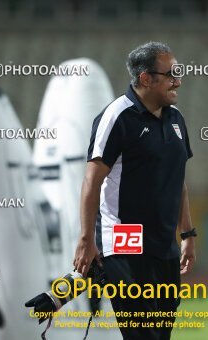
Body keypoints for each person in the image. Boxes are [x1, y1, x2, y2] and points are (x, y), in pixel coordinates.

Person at [73, 41, 196, 340]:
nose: (178, 80)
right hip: (125, 242)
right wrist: (87, 239)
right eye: (171, 73)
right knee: (142, 336)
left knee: (160, 335)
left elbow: (177, 179)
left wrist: (188, 234)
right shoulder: (117, 116)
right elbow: (92, 181)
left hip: (163, 245)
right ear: (146, 78)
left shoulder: (176, 118)